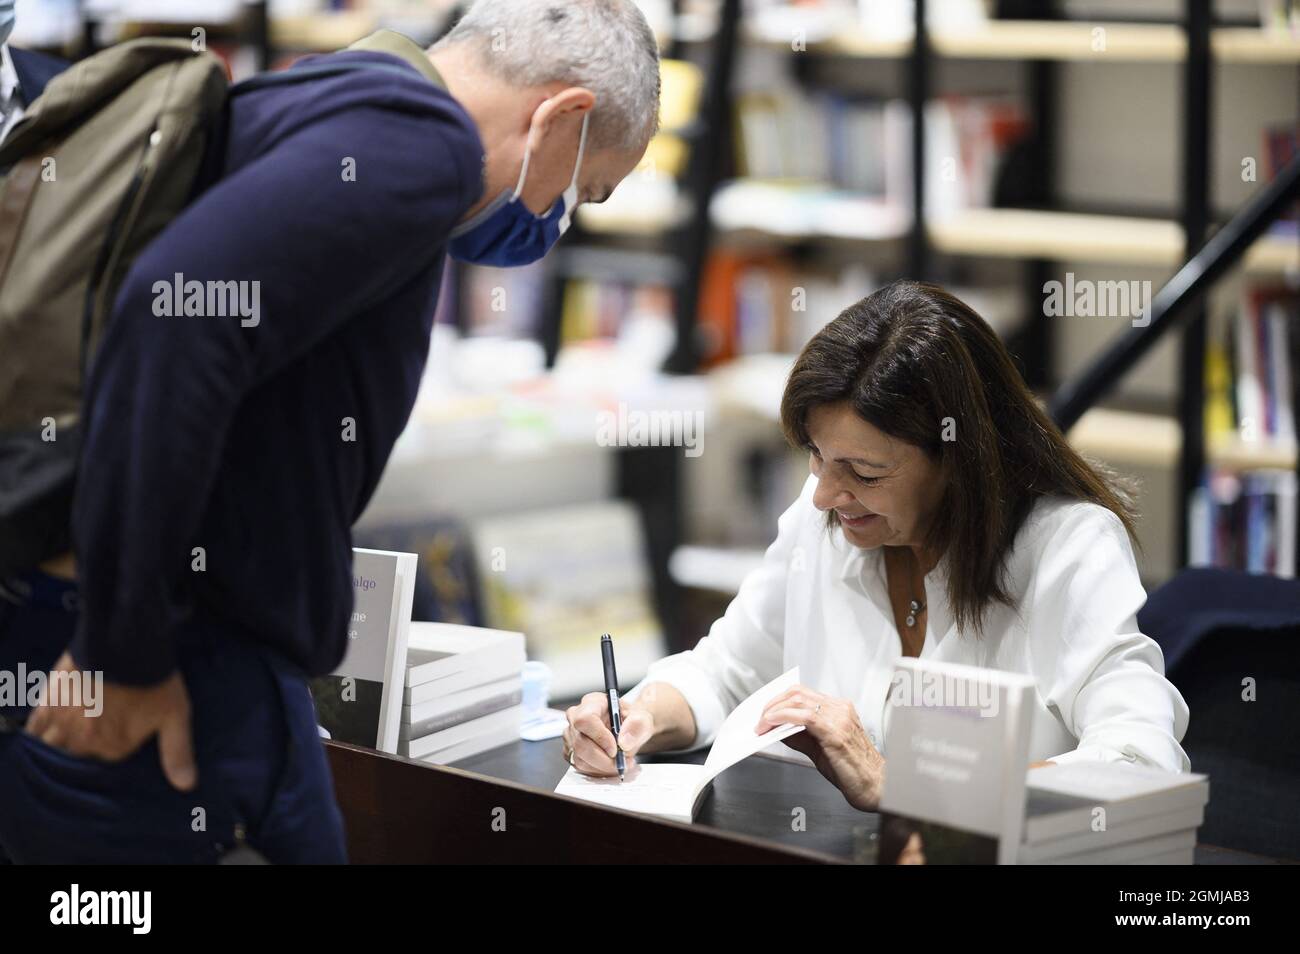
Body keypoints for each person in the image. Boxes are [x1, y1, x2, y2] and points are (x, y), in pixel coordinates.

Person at [0, 0, 660, 863]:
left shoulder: (344, 93)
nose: (559, 216)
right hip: (170, 659)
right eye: (584, 189)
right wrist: (124, 655)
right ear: (563, 117)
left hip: (155, 635)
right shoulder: (421, 146)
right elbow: (175, 318)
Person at [564, 280, 1191, 812]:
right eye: (816, 456)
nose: (824, 495)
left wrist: (904, 789)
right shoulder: (826, 525)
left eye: (865, 473)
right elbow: (725, 671)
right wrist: (637, 718)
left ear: (961, 460)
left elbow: (1139, 764)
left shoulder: (1066, 548)